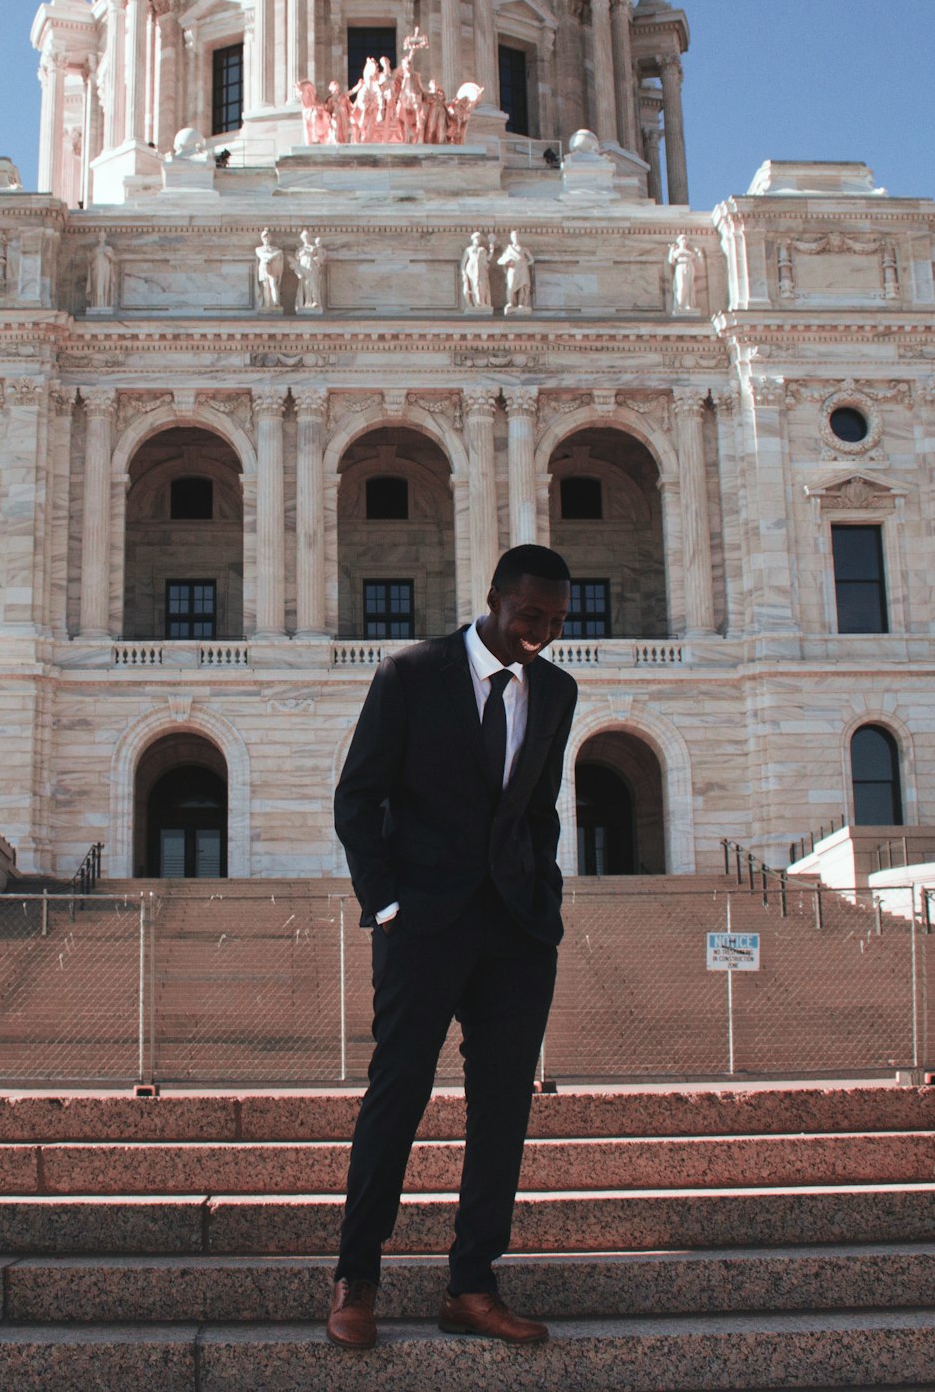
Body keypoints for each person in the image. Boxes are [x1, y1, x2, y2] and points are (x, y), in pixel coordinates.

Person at [328, 545, 578, 1350]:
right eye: (529, 616)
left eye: (555, 620)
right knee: (396, 1099)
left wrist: (547, 899)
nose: (541, 633)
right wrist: (387, 903)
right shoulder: (411, 674)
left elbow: (538, 807)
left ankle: (472, 1283)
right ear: (495, 600)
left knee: (502, 1110)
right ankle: (356, 1279)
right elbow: (358, 798)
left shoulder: (557, 689)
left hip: (516, 929)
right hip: (424, 923)